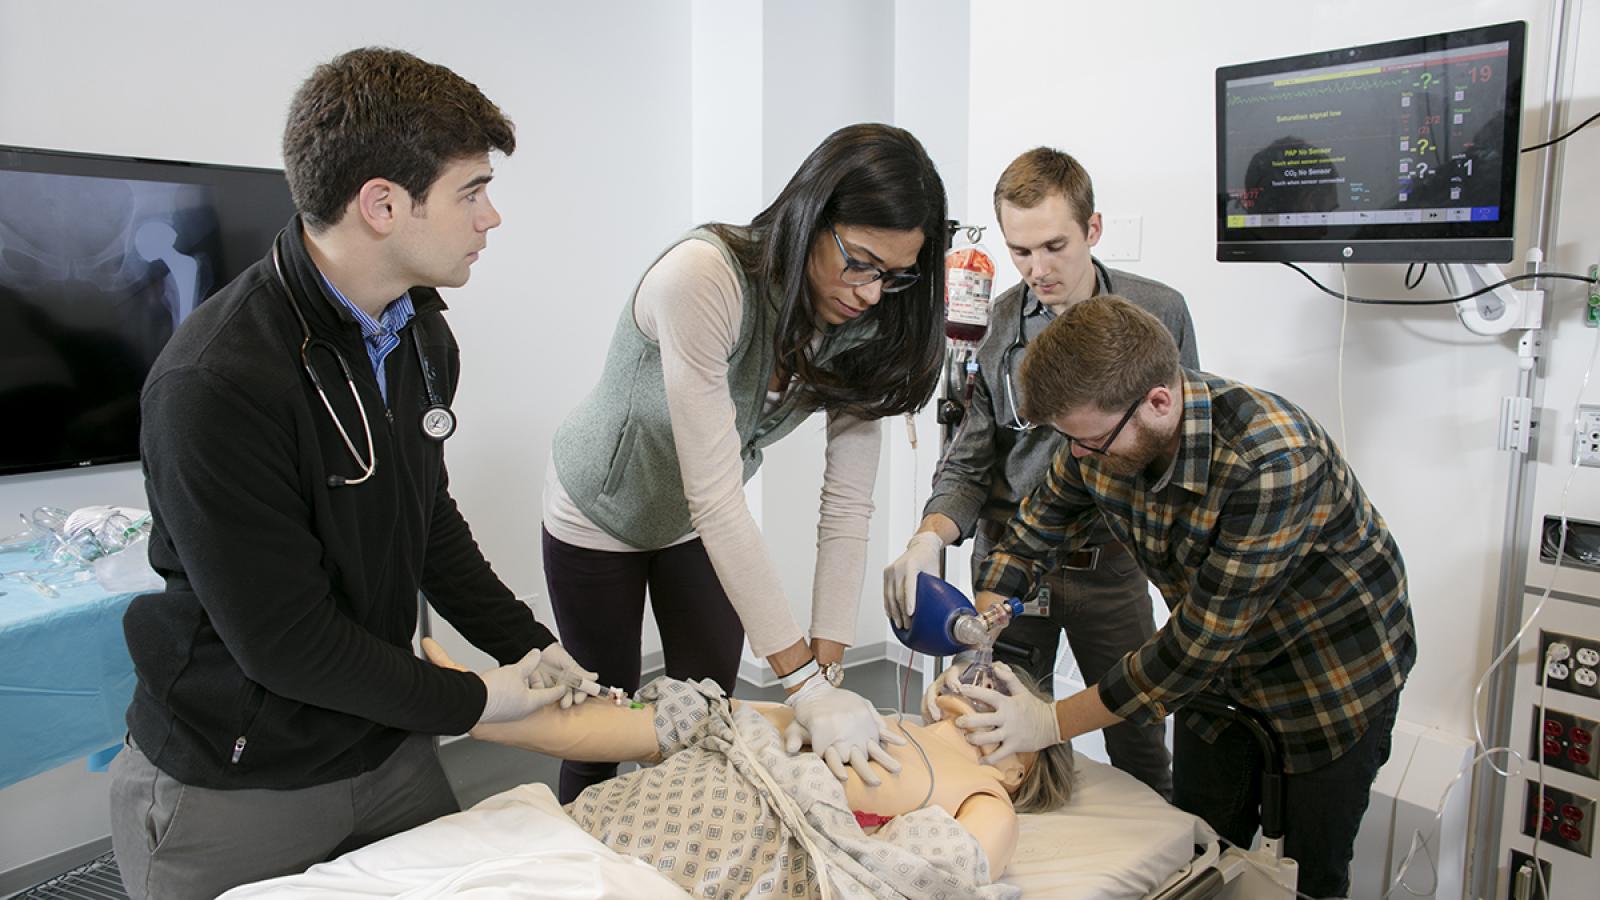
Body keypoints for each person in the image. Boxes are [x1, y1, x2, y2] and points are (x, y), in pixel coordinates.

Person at [110, 48, 595, 900]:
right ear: (382, 205)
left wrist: (530, 645)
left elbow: (427, 523)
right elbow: (286, 644)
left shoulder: (418, 335)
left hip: (386, 741)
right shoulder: (215, 383)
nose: (493, 218)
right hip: (241, 778)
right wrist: (481, 702)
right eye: (472, 192)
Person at [936, 295, 1415, 899]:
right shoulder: (1098, 433)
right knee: (1204, 852)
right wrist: (991, 606)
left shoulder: (1273, 460)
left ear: (1158, 402)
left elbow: (1193, 647)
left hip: (1328, 678)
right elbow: (1038, 528)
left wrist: (1050, 720)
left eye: (1088, 442)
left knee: (1304, 876)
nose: (1078, 456)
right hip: (1218, 682)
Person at [543, 123, 947, 801]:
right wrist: (800, 685)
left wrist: (828, 666)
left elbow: (848, 503)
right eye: (860, 261)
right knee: (601, 728)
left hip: (696, 529)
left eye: (894, 276)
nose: (872, 293)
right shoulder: (703, 277)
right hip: (600, 512)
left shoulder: (863, 318)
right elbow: (717, 495)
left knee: (710, 720)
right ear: (811, 215)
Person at [886, 147, 1194, 798]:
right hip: (1014, 563)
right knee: (1003, 737)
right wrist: (927, 538)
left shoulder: (1157, 313)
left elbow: (1178, 443)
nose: (1038, 269)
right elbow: (970, 458)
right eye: (1020, 251)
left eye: (1055, 246)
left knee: (1138, 731)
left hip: (1109, 566)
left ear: (1094, 229)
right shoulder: (994, 324)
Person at [423, 638, 1073, 898]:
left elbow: (919, 879)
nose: (994, 683)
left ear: (1021, 768)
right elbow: (671, 719)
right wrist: (474, 703)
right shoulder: (860, 715)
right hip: (623, 810)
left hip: (703, 862)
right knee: (678, 708)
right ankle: (473, 706)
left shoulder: (985, 795)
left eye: (1016, 699)